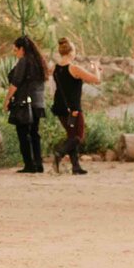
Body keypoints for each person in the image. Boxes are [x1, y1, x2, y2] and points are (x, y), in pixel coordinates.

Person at [50, 37, 94, 176]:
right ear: (71, 52)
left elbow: (53, 87)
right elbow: (96, 80)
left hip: (59, 106)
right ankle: (60, 153)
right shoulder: (73, 67)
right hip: (73, 108)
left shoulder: (55, 68)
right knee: (78, 136)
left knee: (71, 134)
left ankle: (76, 166)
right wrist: (97, 69)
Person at [7, 36, 47, 174]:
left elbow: (15, 83)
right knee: (34, 133)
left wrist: (7, 99)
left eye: (15, 49)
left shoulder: (23, 62)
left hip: (23, 102)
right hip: (37, 102)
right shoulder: (38, 63)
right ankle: (38, 162)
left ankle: (29, 164)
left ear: (22, 49)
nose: (15, 52)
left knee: (23, 134)